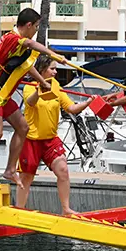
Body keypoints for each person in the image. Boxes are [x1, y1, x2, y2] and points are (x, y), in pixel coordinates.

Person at [0, 8, 69, 187]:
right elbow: (31, 45)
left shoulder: (18, 45)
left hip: (3, 91)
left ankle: (10, 170)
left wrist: (43, 82)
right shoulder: (12, 38)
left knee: (23, 127)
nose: (36, 31)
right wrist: (53, 55)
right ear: (29, 25)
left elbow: (26, 66)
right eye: (36, 27)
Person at [17, 56, 91, 215]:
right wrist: (40, 89)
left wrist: (88, 103)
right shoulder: (30, 86)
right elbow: (30, 102)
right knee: (26, 177)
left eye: (56, 68)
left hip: (50, 138)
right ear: (42, 70)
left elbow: (71, 107)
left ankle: (66, 209)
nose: (56, 72)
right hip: (31, 139)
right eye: (52, 68)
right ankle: (19, 210)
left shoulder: (56, 85)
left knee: (63, 170)